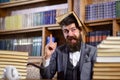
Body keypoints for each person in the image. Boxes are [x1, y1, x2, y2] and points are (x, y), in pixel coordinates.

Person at [40, 11, 97, 80]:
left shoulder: (93, 51)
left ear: (80, 30)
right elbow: (46, 76)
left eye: (73, 30)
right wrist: (47, 56)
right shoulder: (58, 51)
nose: (70, 34)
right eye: (66, 31)